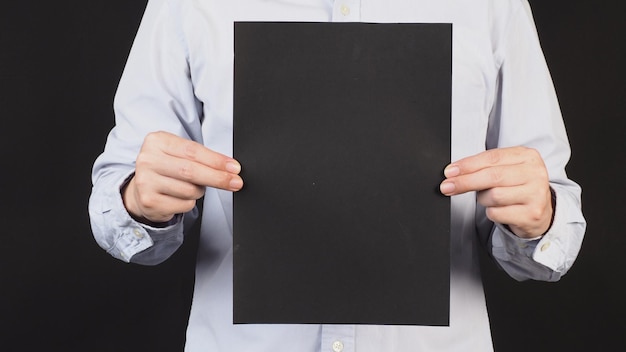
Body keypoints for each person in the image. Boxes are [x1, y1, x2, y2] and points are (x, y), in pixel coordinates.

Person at [88, 0, 586, 351]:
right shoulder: (188, 4)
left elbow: (552, 235)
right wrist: (138, 202)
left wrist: (537, 218)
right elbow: (120, 208)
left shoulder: (492, 6)